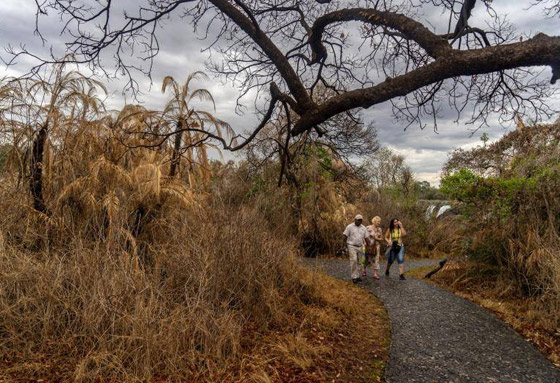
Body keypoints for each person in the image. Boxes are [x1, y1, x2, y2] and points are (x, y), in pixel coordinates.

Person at [343, 214, 368, 283]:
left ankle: (357, 276)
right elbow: (345, 235)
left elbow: (366, 237)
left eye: (361, 220)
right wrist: (343, 245)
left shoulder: (363, 227)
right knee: (354, 260)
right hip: (352, 245)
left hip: (360, 246)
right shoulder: (349, 227)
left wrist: (369, 246)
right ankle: (354, 276)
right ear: (355, 220)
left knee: (359, 262)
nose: (359, 221)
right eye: (358, 220)